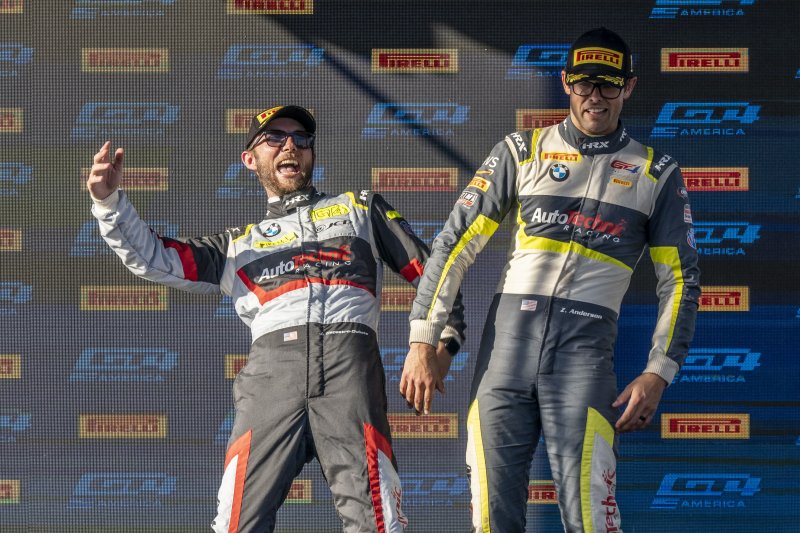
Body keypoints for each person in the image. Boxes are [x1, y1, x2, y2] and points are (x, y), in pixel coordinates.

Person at [86, 104, 465, 533]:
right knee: (237, 523)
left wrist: (439, 343)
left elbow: (435, 274)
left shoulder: (360, 208)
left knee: (378, 521)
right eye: (276, 138)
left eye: (301, 139)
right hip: (272, 379)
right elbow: (155, 257)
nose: (291, 145)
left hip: (350, 372)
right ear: (250, 159)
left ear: (312, 153)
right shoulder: (237, 245)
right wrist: (109, 203)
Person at [401, 27, 700, 532]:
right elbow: (453, 244)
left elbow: (681, 280)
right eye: (584, 83)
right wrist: (421, 339)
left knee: (591, 515)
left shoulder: (656, 171)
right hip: (505, 353)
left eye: (608, 84)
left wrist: (659, 371)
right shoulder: (522, 150)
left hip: (583, 354)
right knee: (491, 516)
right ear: (565, 82)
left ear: (628, 86)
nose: (595, 97)